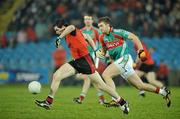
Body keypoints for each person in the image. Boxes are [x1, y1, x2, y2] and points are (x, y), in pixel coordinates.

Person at [35, 19, 130, 114]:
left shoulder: (72, 30)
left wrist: (59, 37)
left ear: (64, 27)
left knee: (101, 86)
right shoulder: (70, 34)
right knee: (56, 75)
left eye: (57, 29)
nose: (56, 32)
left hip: (85, 61)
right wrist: (95, 49)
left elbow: (71, 27)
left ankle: (123, 102)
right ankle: (48, 102)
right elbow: (88, 37)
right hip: (77, 61)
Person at [96, 16, 171, 107]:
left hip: (125, 59)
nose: (100, 28)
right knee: (140, 86)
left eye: (101, 26)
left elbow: (135, 38)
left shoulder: (118, 32)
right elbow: (104, 49)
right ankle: (163, 92)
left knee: (106, 75)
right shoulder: (102, 37)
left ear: (108, 25)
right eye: (99, 26)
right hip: (120, 63)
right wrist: (101, 53)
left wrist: (140, 51)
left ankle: (116, 99)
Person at [73, 15, 106, 104]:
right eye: (86, 19)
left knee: (89, 77)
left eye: (89, 19)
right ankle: (102, 98)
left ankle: (81, 98)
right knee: (91, 78)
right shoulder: (80, 31)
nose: (87, 21)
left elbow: (102, 41)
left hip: (93, 56)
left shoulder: (96, 31)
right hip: (84, 56)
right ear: (84, 21)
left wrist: (100, 52)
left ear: (92, 21)